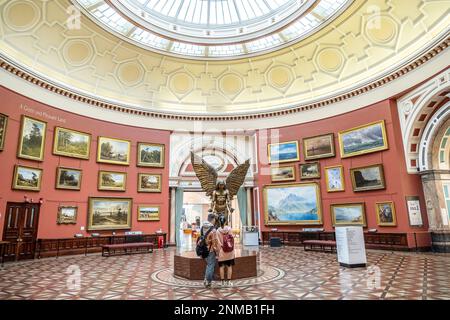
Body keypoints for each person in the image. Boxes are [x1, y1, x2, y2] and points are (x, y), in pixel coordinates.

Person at [216, 214, 235, 287]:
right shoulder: (229, 229)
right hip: (229, 252)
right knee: (229, 266)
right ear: (225, 221)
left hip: (222, 252)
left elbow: (218, 243)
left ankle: (222, 282)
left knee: (221, 267)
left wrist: (218, 252)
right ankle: (229, 282)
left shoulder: (218, 231)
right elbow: (232, 240)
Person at [201, 213, 219, 288]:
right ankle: (208, 282)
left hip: (203, 249)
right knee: (211, 265)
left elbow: (201, 237)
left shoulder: (202, 227)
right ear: (213, 219)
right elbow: (215, 242)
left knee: (208, 264)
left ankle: (205, 279)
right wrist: (217, 252)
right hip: (210, 250)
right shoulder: (213, 230)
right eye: (215, 219)